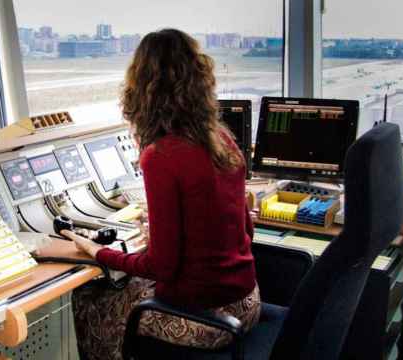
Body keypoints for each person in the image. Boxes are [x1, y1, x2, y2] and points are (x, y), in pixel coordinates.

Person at [63, 28, 260, 360]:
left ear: (142, 90)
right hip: (248, 303)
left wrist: (95, 250)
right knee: (127, 288)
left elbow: (162, 267)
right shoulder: (221, 139)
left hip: (209, 321)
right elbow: (245, 231)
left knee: (88, 303)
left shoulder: (161, 156)